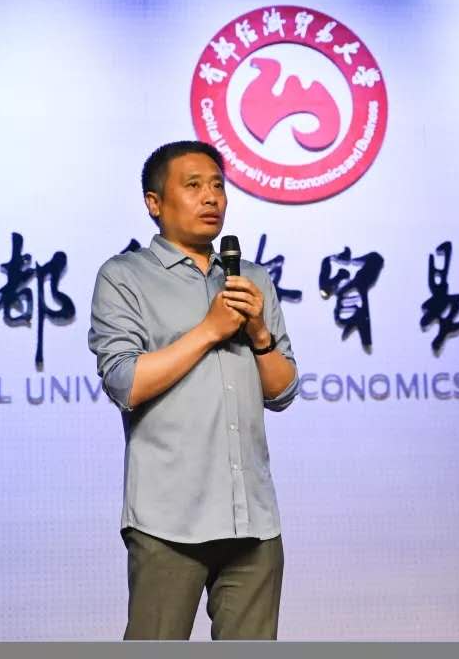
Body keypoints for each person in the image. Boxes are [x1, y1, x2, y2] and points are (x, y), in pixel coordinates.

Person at [88, 140, 299, 640]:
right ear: (154, 202)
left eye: (218, 186)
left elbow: (283, 390)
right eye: (193, 186)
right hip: (168, 519)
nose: (211, 198)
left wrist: (259, 334)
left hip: (252, 517)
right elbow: (125, 382)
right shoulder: (124, 277)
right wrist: (208, 330)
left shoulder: (251, 279)